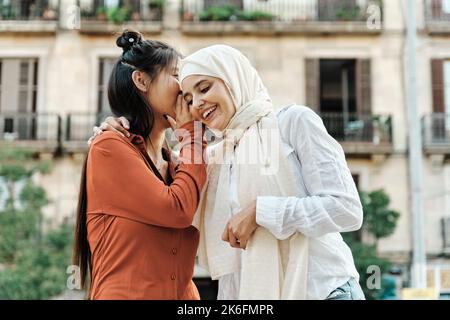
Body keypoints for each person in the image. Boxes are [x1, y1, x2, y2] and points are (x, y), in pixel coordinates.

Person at [92, 44, 365, 300]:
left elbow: (347, 209)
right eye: (188, 98)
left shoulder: (292, 123)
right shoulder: (215, 157)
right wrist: (118, 128)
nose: (197, 103)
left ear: (232, 78)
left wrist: (261, 212)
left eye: (205, 87)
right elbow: (157, 172)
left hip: (325, 290)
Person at [73, 30, 207, 299]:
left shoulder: (180, 163)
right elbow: (177, 209)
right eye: (176, 75)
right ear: (141, 81)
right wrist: (191, 135)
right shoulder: (109, 147)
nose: (185, 86)